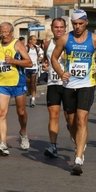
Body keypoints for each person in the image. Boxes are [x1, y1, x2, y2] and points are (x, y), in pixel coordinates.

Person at [51, 9, 96, 175]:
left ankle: (78, 158)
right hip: (69, 85)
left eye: (80, 24)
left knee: (82, 119)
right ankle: (78, 141)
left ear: (86, 23)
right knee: (71, 121)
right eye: (75, 24)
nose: (77, 27)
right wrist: (61, 73)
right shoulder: (65, 39)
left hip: (87, 84)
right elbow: (54, 57)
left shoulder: (95, 39)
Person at [0, 22, 33, 155]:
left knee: (21, 112)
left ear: (11, 33)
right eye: (1, 32)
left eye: (5, 32)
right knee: (0, 112)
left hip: (18, 83)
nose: (3, 35)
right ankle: (3, 143)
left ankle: (23, 132)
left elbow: (29, 62)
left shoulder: (17, 44)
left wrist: (14, 61)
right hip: (2, 83)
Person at [41, 18, 70, 157]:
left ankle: (76, 136)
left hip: (69, 84)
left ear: (65, 28)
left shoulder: (71, 43)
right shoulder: (48, 44)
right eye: (56, 27)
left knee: (70, 119)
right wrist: (45, 66)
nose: (58, 29)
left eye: (61, 27)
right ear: (52, 28)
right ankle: (52, 146)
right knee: (53, 115)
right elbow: (45, 61)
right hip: (53, 83)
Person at [25, 35, 42, 107]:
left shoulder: (37, 48)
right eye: (34, 40)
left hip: (34, 67)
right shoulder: (26, 48)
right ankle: (30, 95)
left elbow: (42, 54)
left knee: (33, 83)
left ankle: (33, 99)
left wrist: (40, 58)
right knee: (28, 83)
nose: (35, 41)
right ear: (30, 41)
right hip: (26, 67)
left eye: (36, 40)